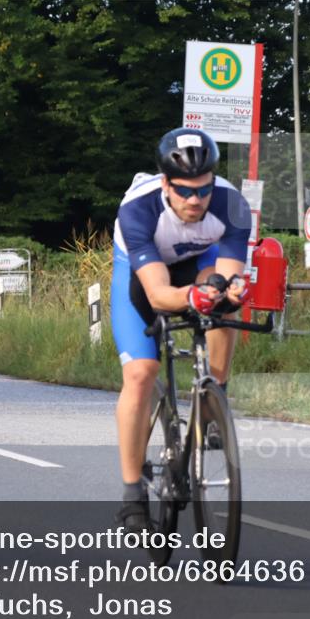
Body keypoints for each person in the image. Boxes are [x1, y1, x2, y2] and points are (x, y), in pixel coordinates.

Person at [110, 127, 252, 532]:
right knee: (141, 373)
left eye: (203, 190)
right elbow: (157, 294)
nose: (195, 200)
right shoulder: (138, 209)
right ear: (166, 184)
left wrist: (227, 292)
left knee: (221, 297)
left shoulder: (232, 204)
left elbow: (228, 274)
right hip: (142, 274)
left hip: (198, 263)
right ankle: (132, 494)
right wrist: (191, 297)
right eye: (185, 191)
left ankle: (214, 399)